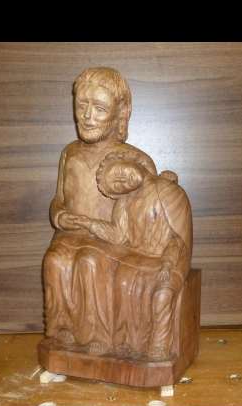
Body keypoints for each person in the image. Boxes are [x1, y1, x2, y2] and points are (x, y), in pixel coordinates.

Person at [42, 67, 157, 355]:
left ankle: (99, 335)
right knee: (54, 261)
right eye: (82, 105)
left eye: (100, 108)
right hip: (70, 235)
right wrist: (59, 216)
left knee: (89, 262)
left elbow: (148, 217)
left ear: (120, 113)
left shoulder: (136, 160)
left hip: (112, 241)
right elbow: (58, 199)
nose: (87, 116)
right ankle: (63, 329)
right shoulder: (69, 153)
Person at [73, 151, 192, 359]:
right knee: (118, 281)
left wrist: (168, 262)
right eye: (117, 185)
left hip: (168, 259)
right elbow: (117, 236)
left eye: (118, 172)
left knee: (162, 294)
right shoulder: (124, 203)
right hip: (137, 260)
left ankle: (158, 346)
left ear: (131, 161)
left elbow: (177, 239)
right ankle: (122, 342)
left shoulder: (168, 191)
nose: (122, 180)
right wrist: (88, 223)